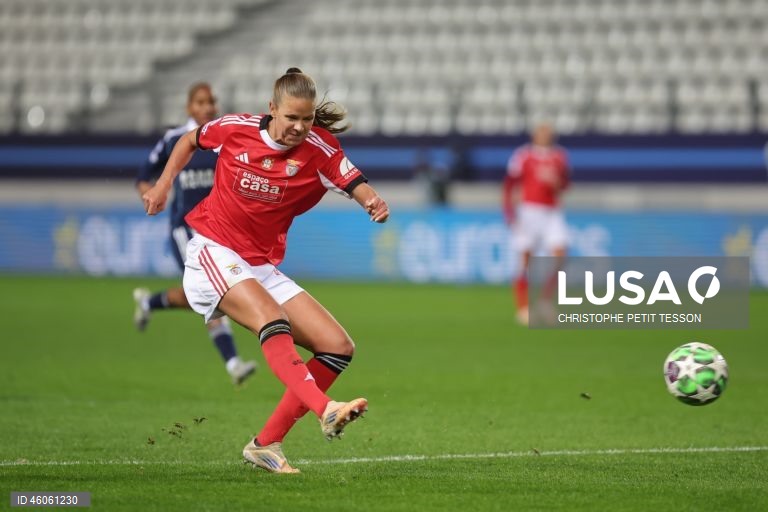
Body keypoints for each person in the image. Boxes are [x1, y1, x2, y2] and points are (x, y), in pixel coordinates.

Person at [142, 68, 390, 474]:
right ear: (271, 109)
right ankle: (325, 409)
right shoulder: (235, 129)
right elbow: (190, 139)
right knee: (272, 320)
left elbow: (353, 180)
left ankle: (266, 443)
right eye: (291, 117)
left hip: (259, 265)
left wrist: (372, 202)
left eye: (306, 119)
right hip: (213, 251)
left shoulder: (320, 148)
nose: (298, 127)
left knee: (337, 347)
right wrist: (164, 183)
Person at [133, 82, 257, 385]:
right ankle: (233, 365)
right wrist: (153, 196)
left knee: (199, 295)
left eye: (211, 101)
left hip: (218, 230)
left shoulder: (225, 139)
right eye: (200, 102)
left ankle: (149, 303)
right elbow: (143, 178)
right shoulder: (176, 139)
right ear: (190, 107)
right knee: (214, 293)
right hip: (185, 229)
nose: (207, 107)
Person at [502, 122, 571, 326]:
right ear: (535, 135)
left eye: (548, 132)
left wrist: (556, 183)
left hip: (552, 211)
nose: (545, 136)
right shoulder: (523, 156)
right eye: (542, 132)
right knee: (525, 258)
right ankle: (523, 307)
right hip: (528, 210)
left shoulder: (559, 156)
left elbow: (565, 184)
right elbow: (510, 184)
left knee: (560, 256)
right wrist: (509, 212)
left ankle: (544, 301)